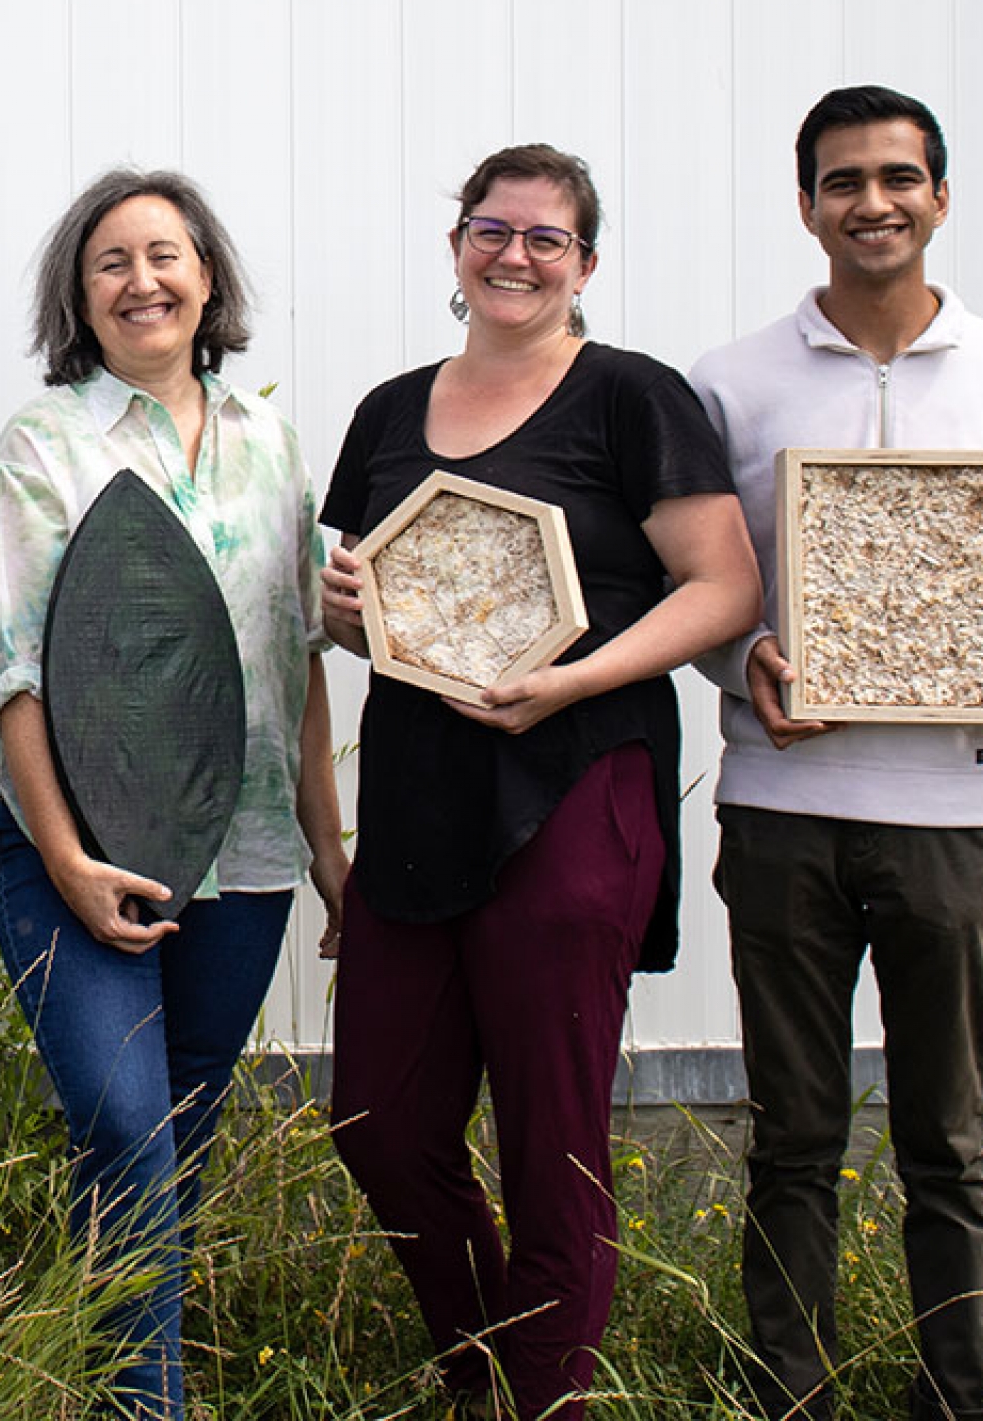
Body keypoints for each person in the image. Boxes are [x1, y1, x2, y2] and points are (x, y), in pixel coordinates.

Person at [320, 144, 759, 1420]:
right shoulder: (392, 410)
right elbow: (371, 620)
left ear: (586, 264)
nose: (513, 255)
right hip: (416, 796)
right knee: (378, 1124)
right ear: (455, 243)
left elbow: (722, 587)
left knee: (548, 1140)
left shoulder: (631, 397)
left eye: (544, 238)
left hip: (572, 786)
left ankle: (541, 1400)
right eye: (490, 230)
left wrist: (569, 681)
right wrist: (349, 610)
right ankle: (485, 1367)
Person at [687, 86, 983, 1421]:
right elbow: (700, 580)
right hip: (784, 798)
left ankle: (955, 1396)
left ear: (941, 195)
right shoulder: (733, 381)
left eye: (899, 177)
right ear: (805, 204)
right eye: (845, 180)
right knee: (795, 1138)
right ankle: (786, 1395)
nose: (874, 202)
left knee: (949, 1143)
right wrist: (734, 658)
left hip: (950, 804)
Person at [0, 167, 345, 1420]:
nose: (143, 280)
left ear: (208, 278)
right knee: (126, 1125)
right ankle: (148, 1407)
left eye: (165, 255)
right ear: (80, 297)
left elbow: (294, 663)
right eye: (111, 262)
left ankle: (106, 1371)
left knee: (178, 1134)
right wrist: (64, 859)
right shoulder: (42, 447)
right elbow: (10, 676)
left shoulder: (270, 442)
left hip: (240, 855)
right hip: (74, 846)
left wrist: (330, 856)